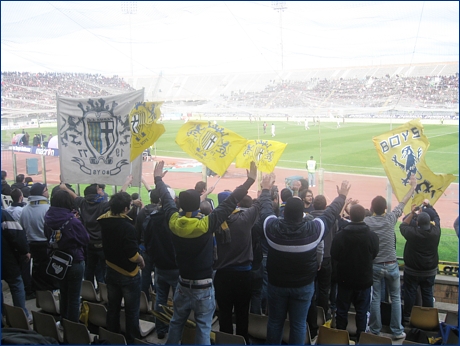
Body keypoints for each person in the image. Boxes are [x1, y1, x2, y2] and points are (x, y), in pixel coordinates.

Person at [154, 160, 257, 345]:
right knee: (203, 326)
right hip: (203, 286)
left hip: (182, 283)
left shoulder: (174, 222)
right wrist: (249, 181)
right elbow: (231, 201)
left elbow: (167, 200)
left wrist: (158, 179)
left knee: (176, 321)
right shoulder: (206, 224)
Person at [259, 172, 350, 344]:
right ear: (303, 213)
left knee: (275, 322)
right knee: (299, 324)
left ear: (284, 214)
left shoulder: (272, 228)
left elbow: (265, 210)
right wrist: (342, 196)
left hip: (277, 285)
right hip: (303, 286)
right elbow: (330, 214)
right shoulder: (313, 230)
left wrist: (265, 190)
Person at [364, 174, 416, 340]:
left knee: (376, 298)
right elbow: (403, 203)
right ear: (385, 208)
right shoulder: (390, 218)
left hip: (375, 265)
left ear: (372, 208)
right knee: (395, 298)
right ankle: (397, 330)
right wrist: (413, 187)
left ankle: (375, 329)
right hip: (391, 264)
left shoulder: (367, 221)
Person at [60, 176, 132, 290]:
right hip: (101, 243)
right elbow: (119, 197)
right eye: (99, 189)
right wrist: (126, 182)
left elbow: (75, 197)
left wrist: (65, 188)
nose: (101, 191)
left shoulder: (83, 203)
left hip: (89, 243)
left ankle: (89, 291)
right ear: (96, 193)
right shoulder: (102, 205)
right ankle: (103, 291)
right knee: (104, 270)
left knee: (89, 269)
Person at [97, 191, 145, 344]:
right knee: (131, 311)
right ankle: (132, 340)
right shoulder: (127, 227)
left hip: (111, 270)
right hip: (129, 274)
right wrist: (141, 260)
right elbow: (132, 255)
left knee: (113, 308)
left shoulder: (105, 221)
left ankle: (112, 338)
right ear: (125, 209)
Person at [213, 193, 260, 343]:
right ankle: (242, 340)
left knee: (224, 313)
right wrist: (264, 189)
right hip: (243, 275)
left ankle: (226, 341)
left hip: (222, 276)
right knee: (242, 313)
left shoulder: (213, 221)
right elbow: (259, 205)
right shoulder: (244, 219)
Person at [331, 204, 379, 341]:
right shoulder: (372, 236)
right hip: (363, 281)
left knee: (342, 311)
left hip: (345, 280)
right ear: (364, 216)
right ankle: (360, 338)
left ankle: (340, 337)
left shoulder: (341, 235)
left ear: (350, 216)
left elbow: (334, 254)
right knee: (362, 312)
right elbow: (374, 254)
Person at [44, 189, 89, 322]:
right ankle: (73, 328)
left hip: (57, 259)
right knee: (74, 298)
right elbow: (85, 239)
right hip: (74, 261)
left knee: (63, 294)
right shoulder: (73, 221)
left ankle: (64, 322)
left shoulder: (48, 217)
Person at [144, 187, 179, 340]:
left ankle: (161, 329)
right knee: (178, 301)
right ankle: (176, 331)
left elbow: (147, 242)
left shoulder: (152, 218)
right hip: (176, 266)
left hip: (160, 265)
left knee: (160, 298)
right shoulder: (176, 219)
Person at [400, 206, 441, 323]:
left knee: (410, 293)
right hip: (429, 270)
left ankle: (408, 316)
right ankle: (427, 318)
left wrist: (412, 213)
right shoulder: (436, 232)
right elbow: (437, 218)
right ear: (429, 222)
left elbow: (403, 225)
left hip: (412, 270)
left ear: (417, 222)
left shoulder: (412, 233)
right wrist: (430, 206)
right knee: (427, 294)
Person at [19, 183, 58, 292]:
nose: (47, 192)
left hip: (31, 244)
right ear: (41, 193)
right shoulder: (48, 208)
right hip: (46, 244)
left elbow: (22, 228)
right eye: (45, 190)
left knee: (37, 268)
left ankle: (39, 291)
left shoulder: (25, 209)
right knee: (49, 269)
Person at [309, 194, 338, 321]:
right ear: (325, 206)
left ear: (313, 205)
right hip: (326, 258)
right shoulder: (331, 220)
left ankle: (311, 314)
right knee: (324, 289)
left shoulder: (308, 219)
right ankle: (323, 314)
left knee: (311, 288)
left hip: (310, 258)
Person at [1, 209, 32, 323]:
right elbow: (17, 235)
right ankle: (22, 316)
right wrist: (25, 251)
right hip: (6, 258)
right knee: (16, 283)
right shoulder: (3, 215)